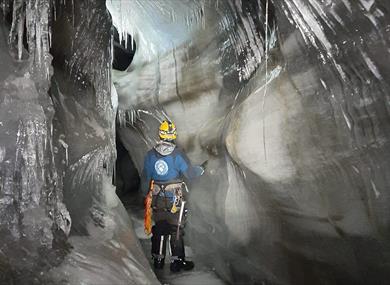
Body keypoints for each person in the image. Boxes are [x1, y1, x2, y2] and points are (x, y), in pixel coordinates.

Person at [141, 120, 205, 273]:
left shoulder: (150, 155)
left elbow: (145, 178)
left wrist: (145, 196)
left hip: (157, 199)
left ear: (160, 134)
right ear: (173, 134)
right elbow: (189, 173)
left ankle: (158, 260)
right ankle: (177, 262)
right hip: (174, 200)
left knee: (160, 227)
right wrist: (201, 169)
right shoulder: (177, 154)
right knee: (175, 229)